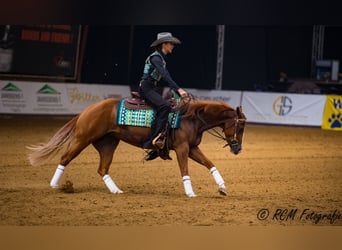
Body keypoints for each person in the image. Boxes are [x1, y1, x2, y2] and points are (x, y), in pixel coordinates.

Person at [139, 32, 188, 150]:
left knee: (168, 104)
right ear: (164, 44)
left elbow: (167, 76)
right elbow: (165, 76)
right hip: (146, 88)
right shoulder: (156, 58)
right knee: (165, 106)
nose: (173, 46)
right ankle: (153, 140)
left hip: (151, 88)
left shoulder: (161, 59)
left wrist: (176, 91)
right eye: (171, 44)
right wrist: (179, 90)